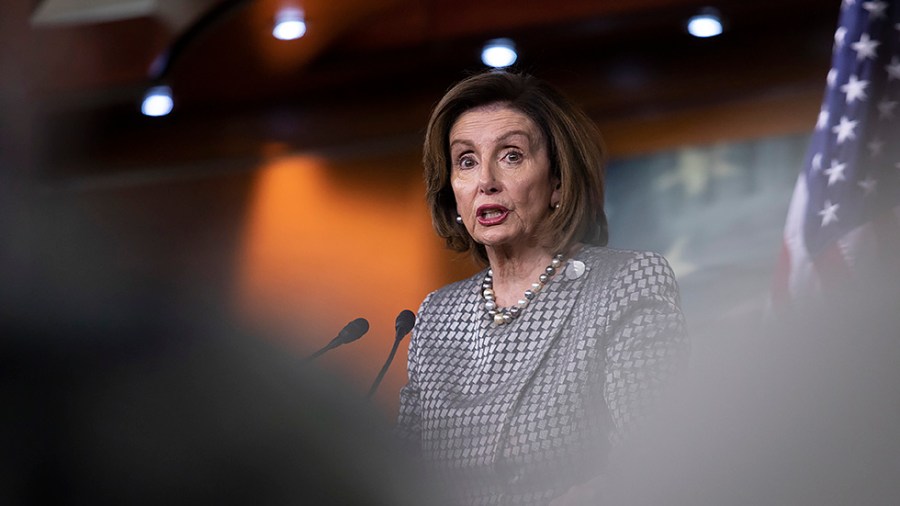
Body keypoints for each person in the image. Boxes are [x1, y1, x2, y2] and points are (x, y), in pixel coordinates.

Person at [395, 70, 689, 506]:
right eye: (467, 161)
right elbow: (400, 470)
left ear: (557, 181)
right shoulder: (438, 315)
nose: (485, 181)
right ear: (451, 190)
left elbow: (652, 452)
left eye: (511, 156)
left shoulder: (624, 284)